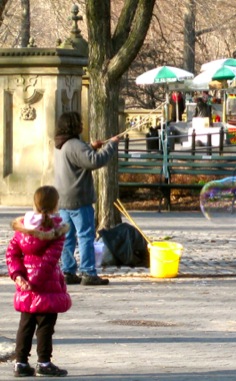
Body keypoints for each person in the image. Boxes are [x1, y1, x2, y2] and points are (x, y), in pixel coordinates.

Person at [6, 186, 72, 377]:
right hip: (46, 286)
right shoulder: (57, 230)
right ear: (55, 205)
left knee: (25, 325)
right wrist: (34, 282)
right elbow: (50, 260)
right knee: (45, 327)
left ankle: (21, 363)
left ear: (34, 203)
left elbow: (12, 253)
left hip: (25, 286)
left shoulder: (23, 228)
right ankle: (44, 362)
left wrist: (19, 277)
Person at [54, 111, 120, 286]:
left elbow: (79, 157)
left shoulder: (61, 144)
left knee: (67, 237)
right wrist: (111, 146)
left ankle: (67, 271)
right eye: (80, 123)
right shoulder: (75, 144)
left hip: (62, 199)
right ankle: (88, 272)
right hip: (79, 199)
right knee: (85, 236)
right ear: (73, 126)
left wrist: (90, 146)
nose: (82, 125)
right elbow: (95, 161)